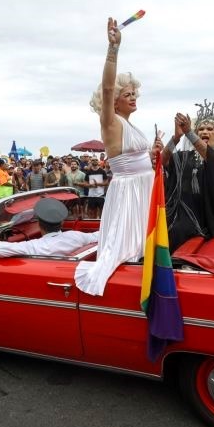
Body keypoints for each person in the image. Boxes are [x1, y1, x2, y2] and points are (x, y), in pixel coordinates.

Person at [74, 17, 153, 296]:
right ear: (115, 101)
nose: (133, 97)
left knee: (144, 244)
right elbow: (107, 87)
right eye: (127, 94)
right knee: (126, 247)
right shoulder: (111, 122)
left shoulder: (131, 125)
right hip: (128, 191)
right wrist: (113, 49)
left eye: (134, 93)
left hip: (144, 189)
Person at [160, 102, 214, 250]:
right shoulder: (184, 156)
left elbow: (210, 156)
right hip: (183, 213)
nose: (204, 132)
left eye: (210, 129)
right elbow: (162, 161)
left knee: (181, 231)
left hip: (209, 216)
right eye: (200, 129)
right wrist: (175, 138)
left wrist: (189, 132)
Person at [0, 198, 99, 258]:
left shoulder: (36, 246)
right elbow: (97, 235)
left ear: (39, 224)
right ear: (62, 223)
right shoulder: (76, 236)